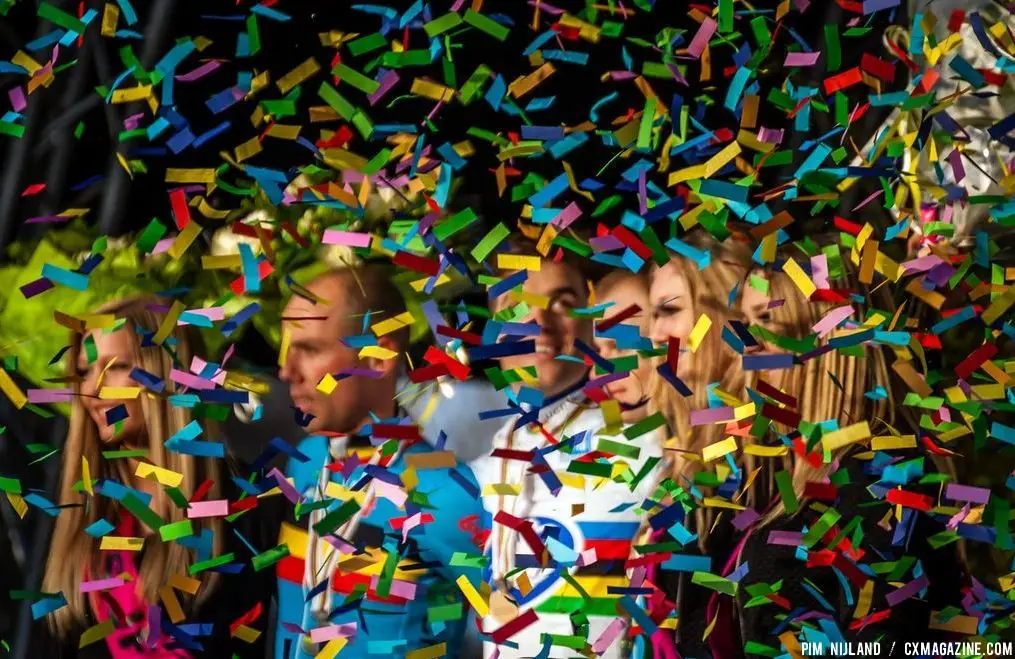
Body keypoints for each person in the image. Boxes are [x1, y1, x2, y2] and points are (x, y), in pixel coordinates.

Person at [32, 296, 276, 658]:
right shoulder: (84, 512)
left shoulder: (246, 503)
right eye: (85, 370)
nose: (94, 389)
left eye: (115, 366)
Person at [272, 263, 485, 659]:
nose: (286, 371)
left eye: (310, 349)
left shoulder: (445, 488)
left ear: (378, 357)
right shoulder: (301, 465)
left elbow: (524, 629)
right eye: (286, 349)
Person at [471, 241, 665, 659]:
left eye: (561, 303)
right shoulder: (477, 470)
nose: (539, 321)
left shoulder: (645, 446)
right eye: (518, 304)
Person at [635, 232, 751, 658]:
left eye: (671, 310)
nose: (654, 332)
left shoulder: (760, 454)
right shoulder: (676, 453)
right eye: (653, 315)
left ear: (721, 309)